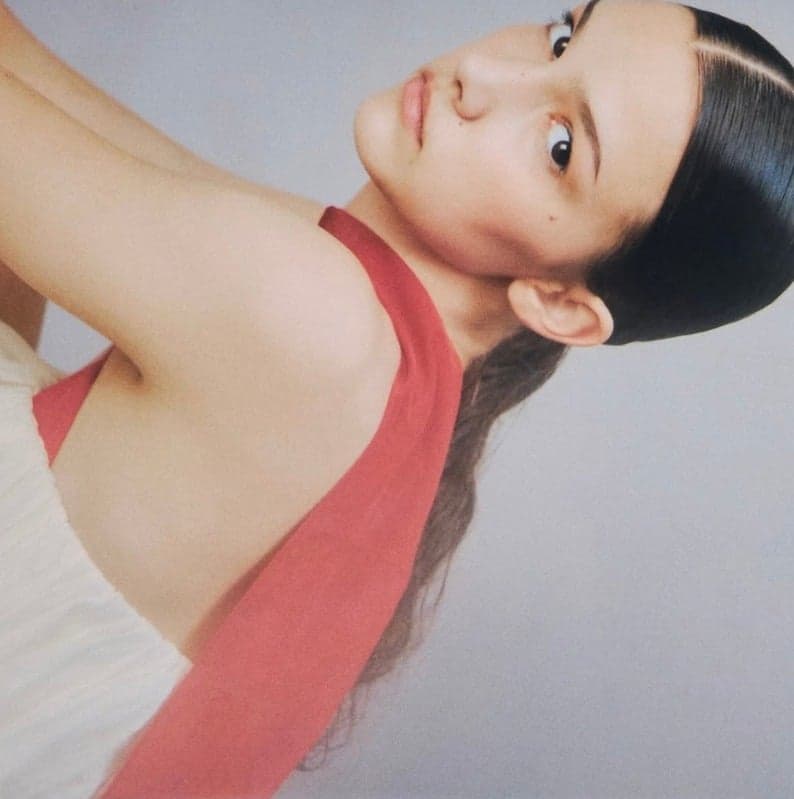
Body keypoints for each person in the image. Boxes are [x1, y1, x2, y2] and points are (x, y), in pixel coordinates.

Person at [0, 0, 790, 796]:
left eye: (560, 146)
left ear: (558, 303)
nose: (480, 77)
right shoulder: (390, 373)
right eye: (562, 36)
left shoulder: (314, 321)